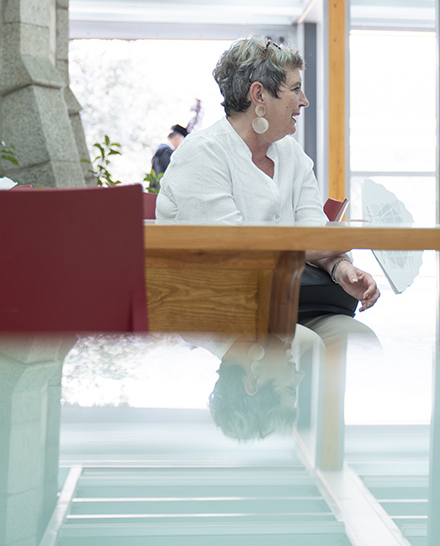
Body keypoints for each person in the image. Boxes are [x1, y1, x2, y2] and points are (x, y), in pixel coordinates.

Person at [157, 36, 380, 348]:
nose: (304, 101)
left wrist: (341, 269)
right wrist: (329, 242)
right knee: (301, 346)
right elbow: (233, 252)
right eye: (295, 89)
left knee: (360, 342)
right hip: (220, 305)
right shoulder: (202, 153)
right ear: (259, 94)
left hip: (290, 300)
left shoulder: (292, 154)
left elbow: (314, 233)